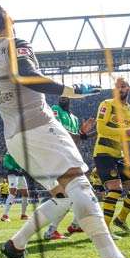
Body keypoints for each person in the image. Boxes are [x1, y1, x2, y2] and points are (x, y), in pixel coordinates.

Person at [0, 4, 130, 258]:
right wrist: (71, 91)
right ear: (8, 20)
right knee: (80, 186)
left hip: (13, 137)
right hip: (38, 126)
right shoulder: (17, 42)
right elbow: (26, 75)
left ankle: (16, 244)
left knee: (62, 197)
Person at [93, 77, 130, 236]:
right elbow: (101, 129)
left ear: (129, 89)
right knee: (115, 189)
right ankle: (104, 230)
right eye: (117, 87)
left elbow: (124, 135)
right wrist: (124, 132)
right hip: (104, 152)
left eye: (123, 86)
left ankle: (121, 219)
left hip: (119, 155)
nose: (120, 89)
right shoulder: (107, 104)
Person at [43, 97, 95, 239]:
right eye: (60, 95)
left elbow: (76, 139)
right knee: (71, 195)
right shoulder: (55, 109)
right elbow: (55, 129)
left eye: (65, 94)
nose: (62, 97)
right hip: (58, 155)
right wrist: (81, 135)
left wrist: (86, 133)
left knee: (79, 194)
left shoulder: (75, 118)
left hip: (70, 157)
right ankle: (51, 230)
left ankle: (75, 225)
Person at [0, 153, 31, 222]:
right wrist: (13, 168)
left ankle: (23, 215)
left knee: (25, 193)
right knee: (13, 192)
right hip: (12, 173)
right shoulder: (10, 150)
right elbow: (5, 163)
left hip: (20, 174)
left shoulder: (20, 150)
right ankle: (5, 215)